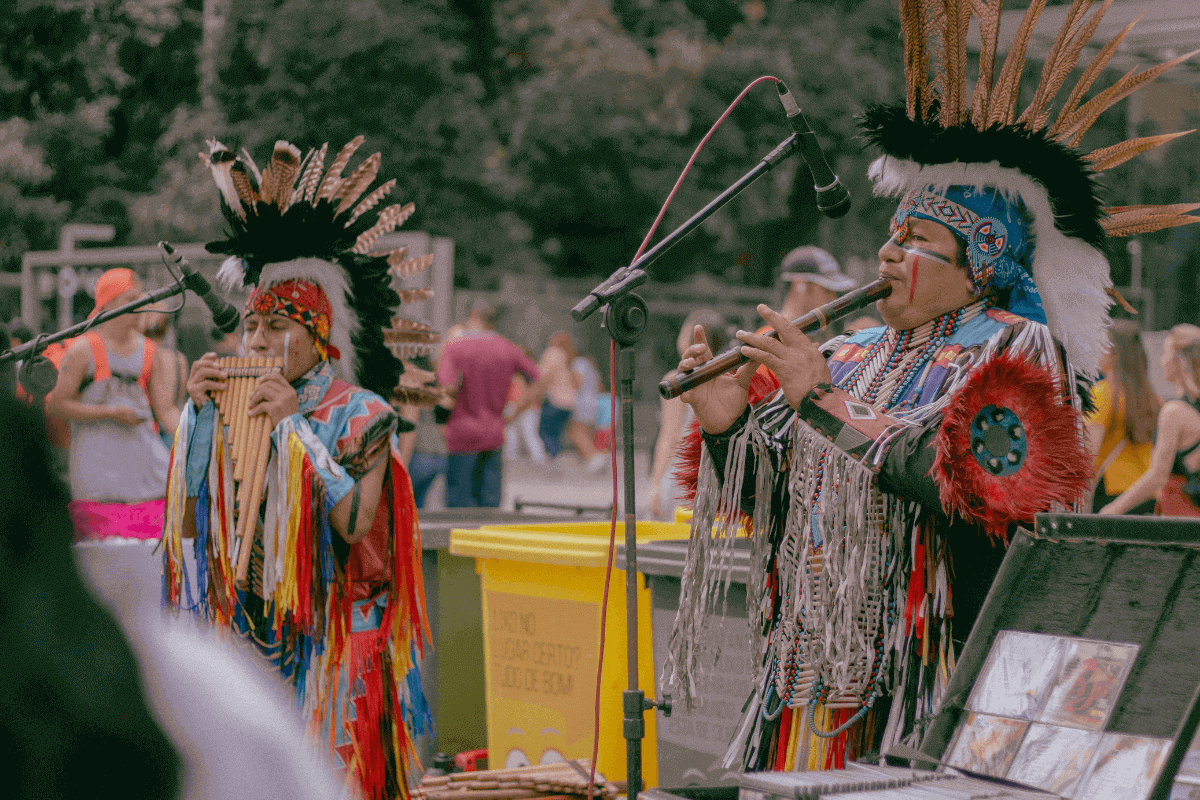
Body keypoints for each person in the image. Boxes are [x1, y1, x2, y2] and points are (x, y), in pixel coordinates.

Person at [662, 0, 1196, 773]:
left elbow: (976, 485)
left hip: (931, 685)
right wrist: (727, 427)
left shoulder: (1020, 350)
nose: (886, 252)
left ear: (979, 262)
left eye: (916, 240)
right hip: (810, 680)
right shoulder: (845, 349)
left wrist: (819, 399)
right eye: (891, 232)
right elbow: (771, 500)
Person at [163, 135, 432, 800]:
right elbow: (198, 522)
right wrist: (195, 422)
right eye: (251, 329)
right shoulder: (236, 401)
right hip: (259, 619)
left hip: (342, 628)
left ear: (319, 338)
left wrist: (295, 430)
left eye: (276, 328)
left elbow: (353, 523)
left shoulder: (362, 412)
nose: (256, 342)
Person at [46, 268, 181, 541]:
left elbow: (166, 410)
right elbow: (56, 404)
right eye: (130, 298)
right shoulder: (84, 349)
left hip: (146, 478)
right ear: (108, 303)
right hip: (97, 479)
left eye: (140, 297)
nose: (140, 304)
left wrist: (196, 436)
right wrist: (109, 413)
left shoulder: (150, 352)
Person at [435, 300, 541, 507]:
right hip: (494, 432)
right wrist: (515, 411)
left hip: (461, 434)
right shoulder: (507, 347)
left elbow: (446, 387)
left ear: (472, 315)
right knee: (490, 506)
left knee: (459, 507)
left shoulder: (455, 346)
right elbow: (539, 379)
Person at [1100, 324, 1200, 517]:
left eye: (1165, 353)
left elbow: (1158, 475)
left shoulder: (1175, 412)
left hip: (1181, 519)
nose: (1161, 361)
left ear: (1179, 361)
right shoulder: (1187, 410)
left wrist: (1113, 509)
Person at [647, 309, 730, 520]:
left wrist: (655, 483)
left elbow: (671, 436)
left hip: (682, 473)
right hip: (715, 475)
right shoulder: (726, 378)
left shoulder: (677, 380)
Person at [1085, 320, 1160, 514]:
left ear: (1115, 353)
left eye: (1102, 344)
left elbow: (1088, 455)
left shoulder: (1102, 394)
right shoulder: (1151, 397)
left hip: (1111, 496)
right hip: (1145, 495)